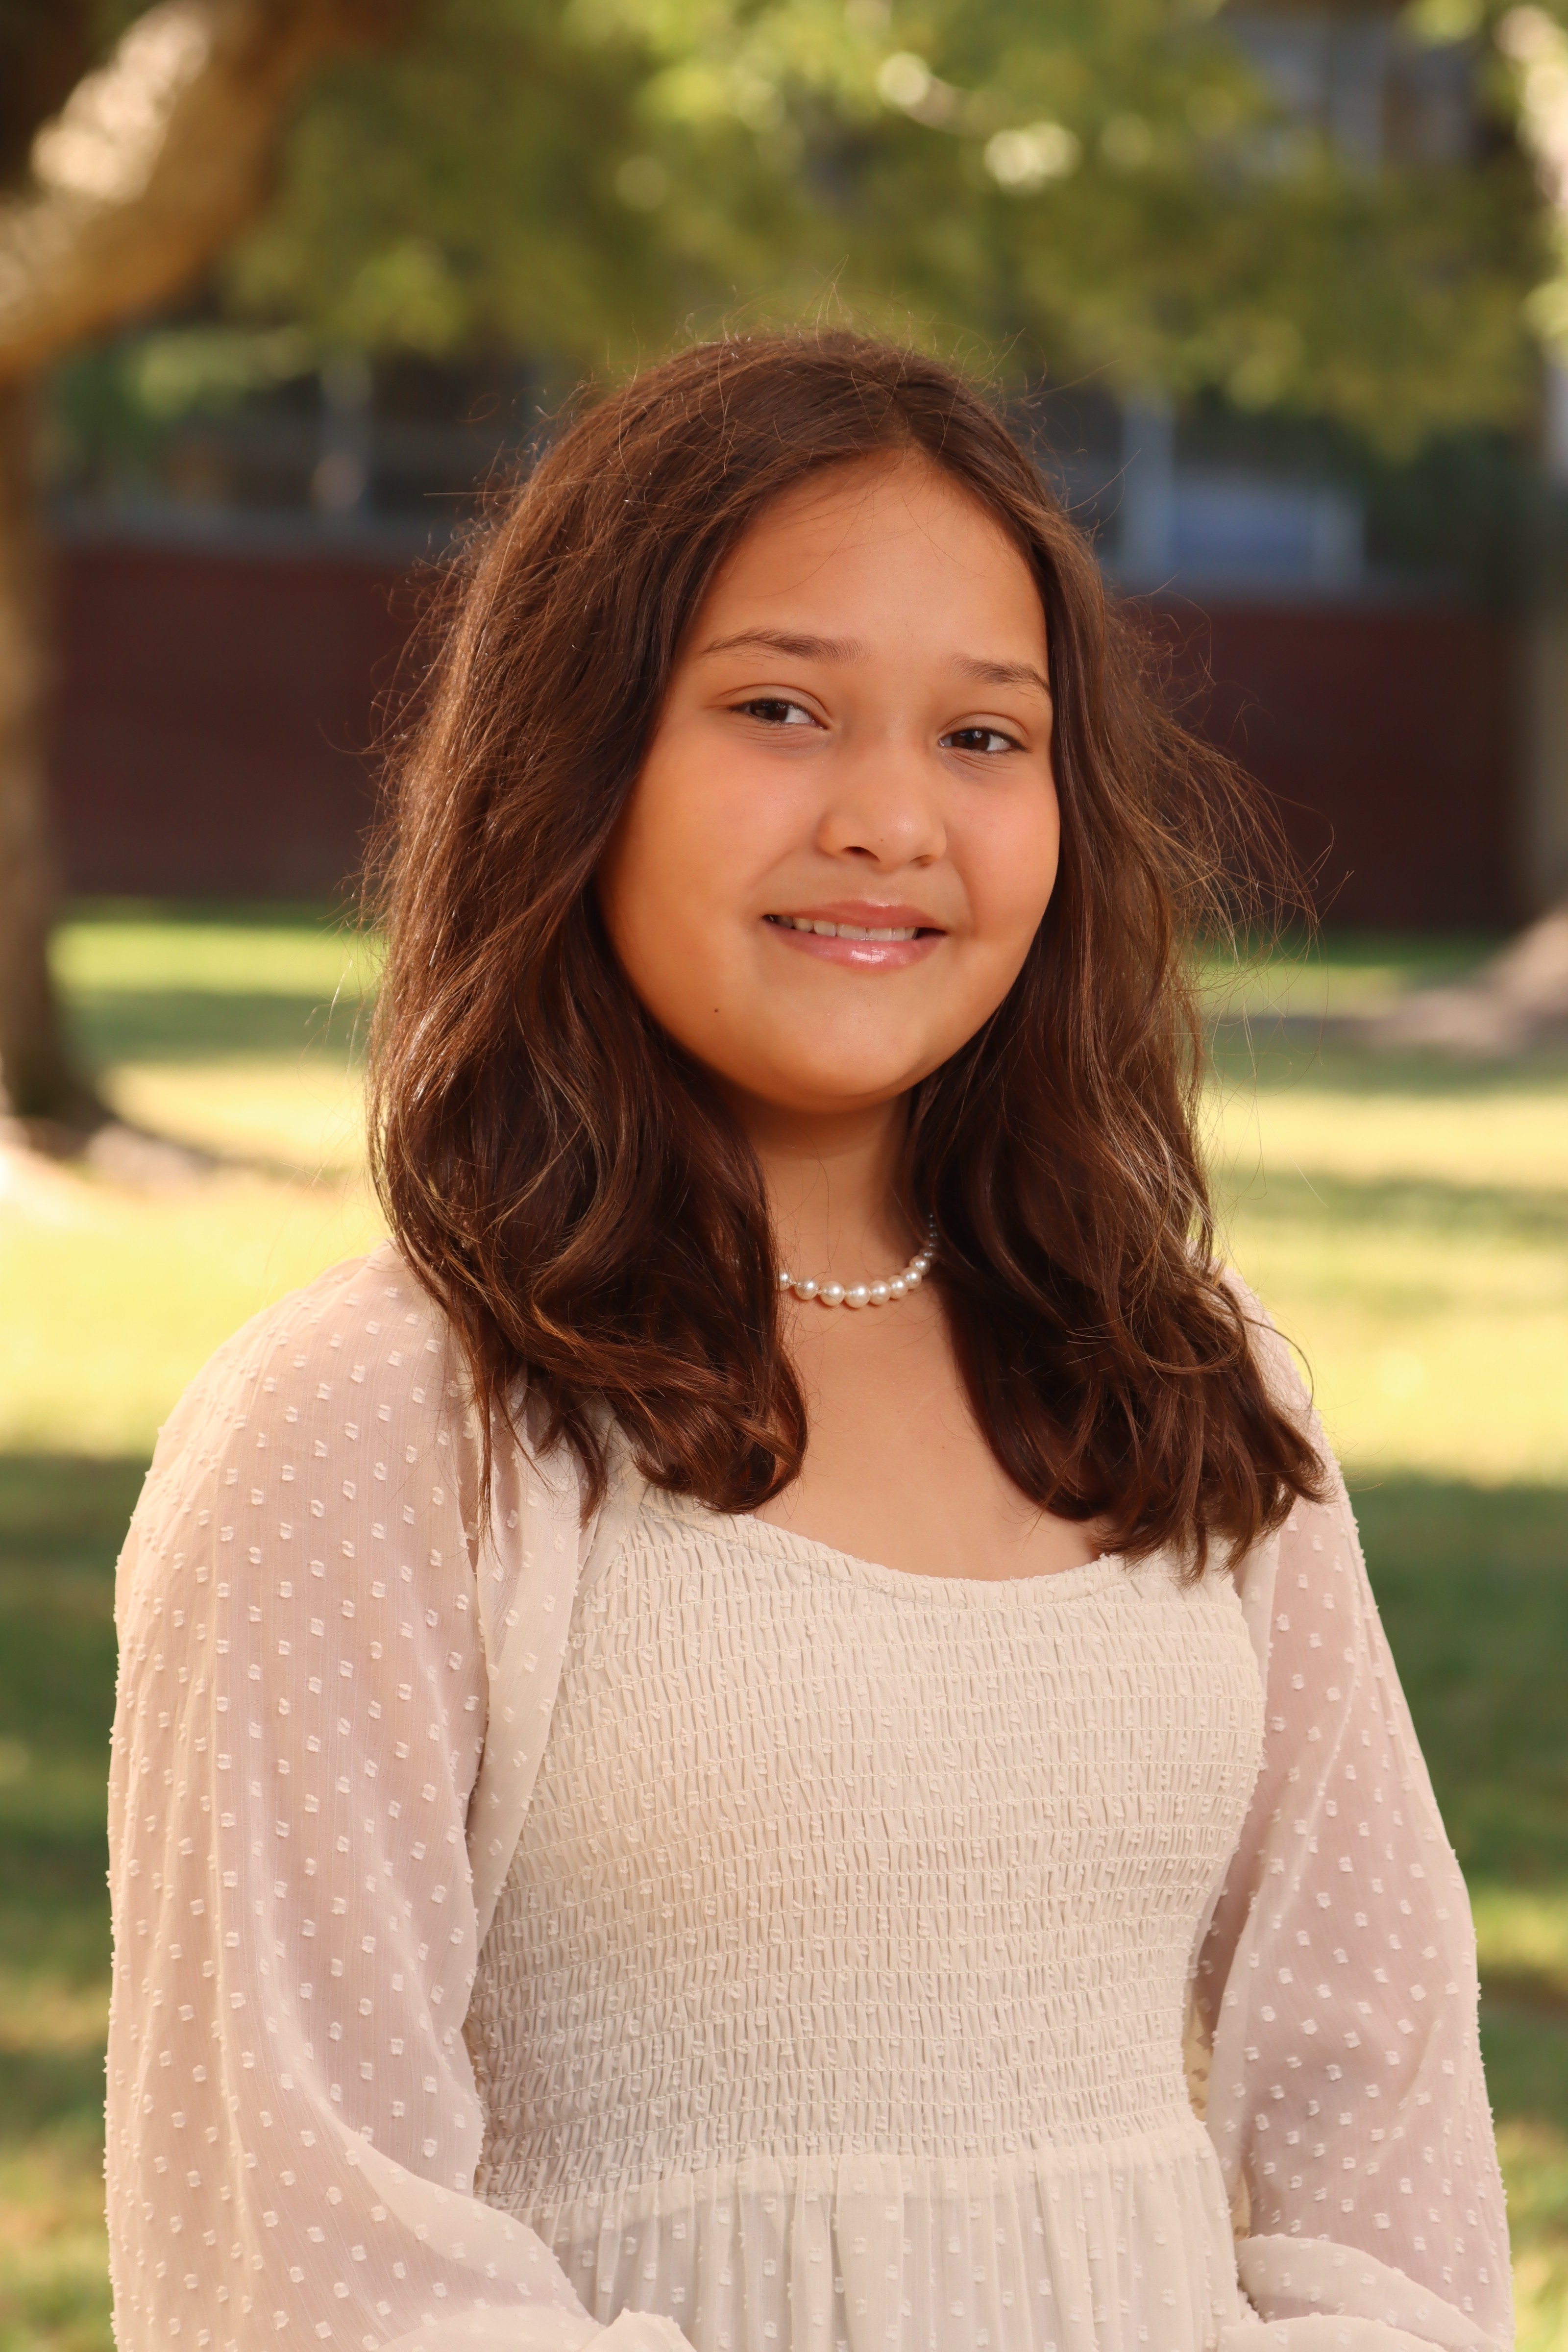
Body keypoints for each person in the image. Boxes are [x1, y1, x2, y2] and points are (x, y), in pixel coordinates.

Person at [105, 333, 1511, 2352]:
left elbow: (1383, 2133)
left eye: (984, 736)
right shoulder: (373, 1428)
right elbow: (302, 2248)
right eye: (779, 708)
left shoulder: (1192, 1389)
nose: (891, 819)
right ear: (578, 760)